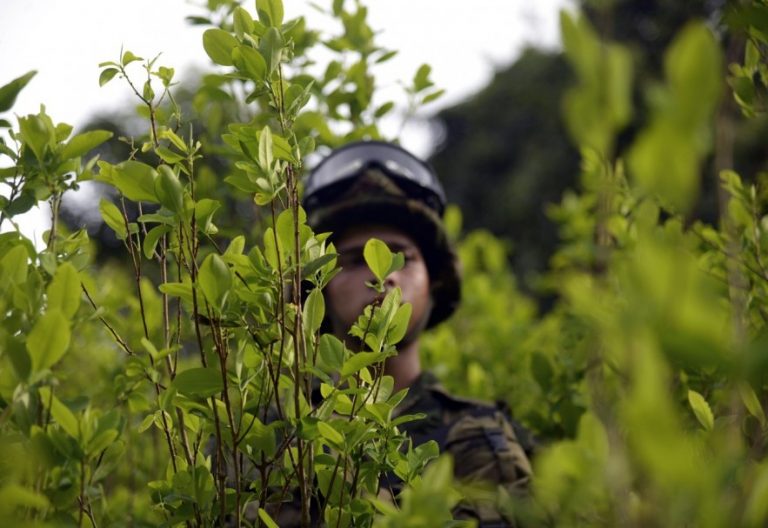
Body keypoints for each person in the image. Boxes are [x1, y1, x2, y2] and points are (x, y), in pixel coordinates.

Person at [302, 140, 534, 526]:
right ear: (319, 285)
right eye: (356, 259)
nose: (382, 275)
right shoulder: (272, 441)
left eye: (401, 256)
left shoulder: (494, 434)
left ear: (436, 282)